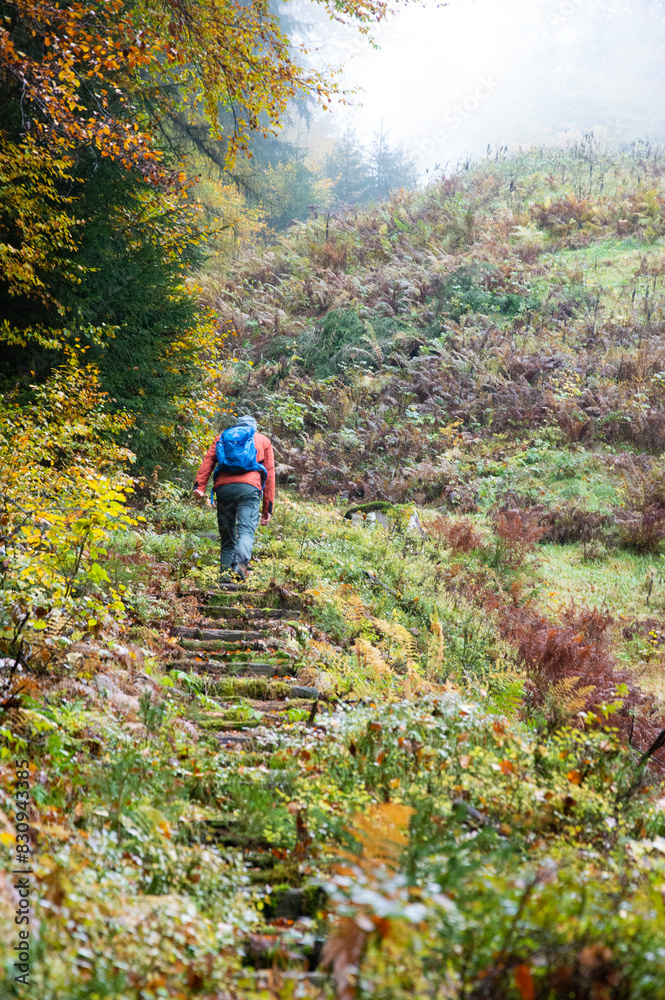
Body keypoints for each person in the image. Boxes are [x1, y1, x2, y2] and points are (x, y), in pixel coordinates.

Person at [192, 415, 275, 581]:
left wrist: (199, 487)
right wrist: (267, 509)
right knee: (245, 531)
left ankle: (224, 576)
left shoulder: (222, 437)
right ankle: (239, 566)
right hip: (249, 489)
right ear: (254, 426)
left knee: (227, 535)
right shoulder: (262, 440)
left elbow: (208, 461)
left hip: (224, 489)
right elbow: (270, 474)